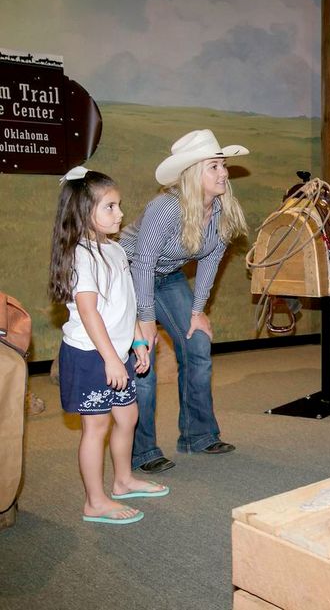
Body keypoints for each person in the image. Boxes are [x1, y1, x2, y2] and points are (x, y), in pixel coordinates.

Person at [119, 130, 249, 473]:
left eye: (223, 165)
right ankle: (142, 450)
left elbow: (211, 260)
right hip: (129, 276)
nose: (223, 173)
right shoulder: (164, 208)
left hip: (168, 278)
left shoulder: (221, 208)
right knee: (141, 358)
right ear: (193, 173)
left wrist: (197, 312)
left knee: (198, 343)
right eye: (213, 167)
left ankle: (198, 434)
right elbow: (143, 262)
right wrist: (145, 321)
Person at [48, 166, 167, 524]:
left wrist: (136, 342)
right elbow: (89, 313)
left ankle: (123, 479)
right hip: (90, 356)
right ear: (85, 213)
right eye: (110, 207)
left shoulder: (113, 250)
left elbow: (125, 303)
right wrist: (111, 360)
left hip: (117, 353)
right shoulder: (82, 255)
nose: (120, 214)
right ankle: (94, 501)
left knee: (128, 416)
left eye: (119, 206)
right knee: (95, 428)